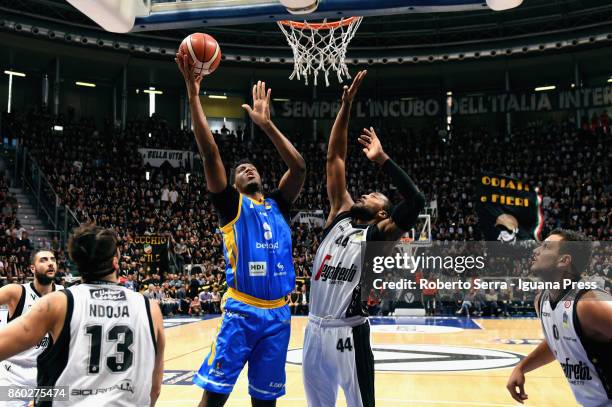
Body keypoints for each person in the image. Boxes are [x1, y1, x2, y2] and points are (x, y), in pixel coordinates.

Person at [176, 51, 306, 407]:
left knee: (265, 402)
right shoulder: (232, 205)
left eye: (252, 167)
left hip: (279, 315)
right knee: (214, 398)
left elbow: (299, 169)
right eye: (241, 169)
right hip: (242, 312)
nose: (248, 169)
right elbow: (210, 155)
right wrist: (193, 95)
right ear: (232, 183)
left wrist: (267, 125)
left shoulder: (278, 203)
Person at [302, 70, 425, 407]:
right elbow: (335, 158)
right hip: (313, 331)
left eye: (374, 195)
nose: (366, 193)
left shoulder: (377, 236)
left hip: (348, 332)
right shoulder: (340, 213)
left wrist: (382, 160)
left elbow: (416, 203)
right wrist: (345, 106)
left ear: (384, 214)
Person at [0, 224, 165, 406]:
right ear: (115, 263)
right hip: (14, 377)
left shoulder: (57, 302)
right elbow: (155, 388)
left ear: (77, 263)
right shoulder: (151, 308)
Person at [506, 229, 612, 406]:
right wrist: (522, 367)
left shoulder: (590, 305)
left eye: (546, 247)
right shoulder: (542, 300)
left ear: (564, 261)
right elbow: (559, 341)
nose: (536, 251)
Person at [0, 250, 63, 407]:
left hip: (47, 379)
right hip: (14, 379)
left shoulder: (65, 294)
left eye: (53, 259)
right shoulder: (16, 292)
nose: (50, 263)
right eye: (43, 260)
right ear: (32, 268)